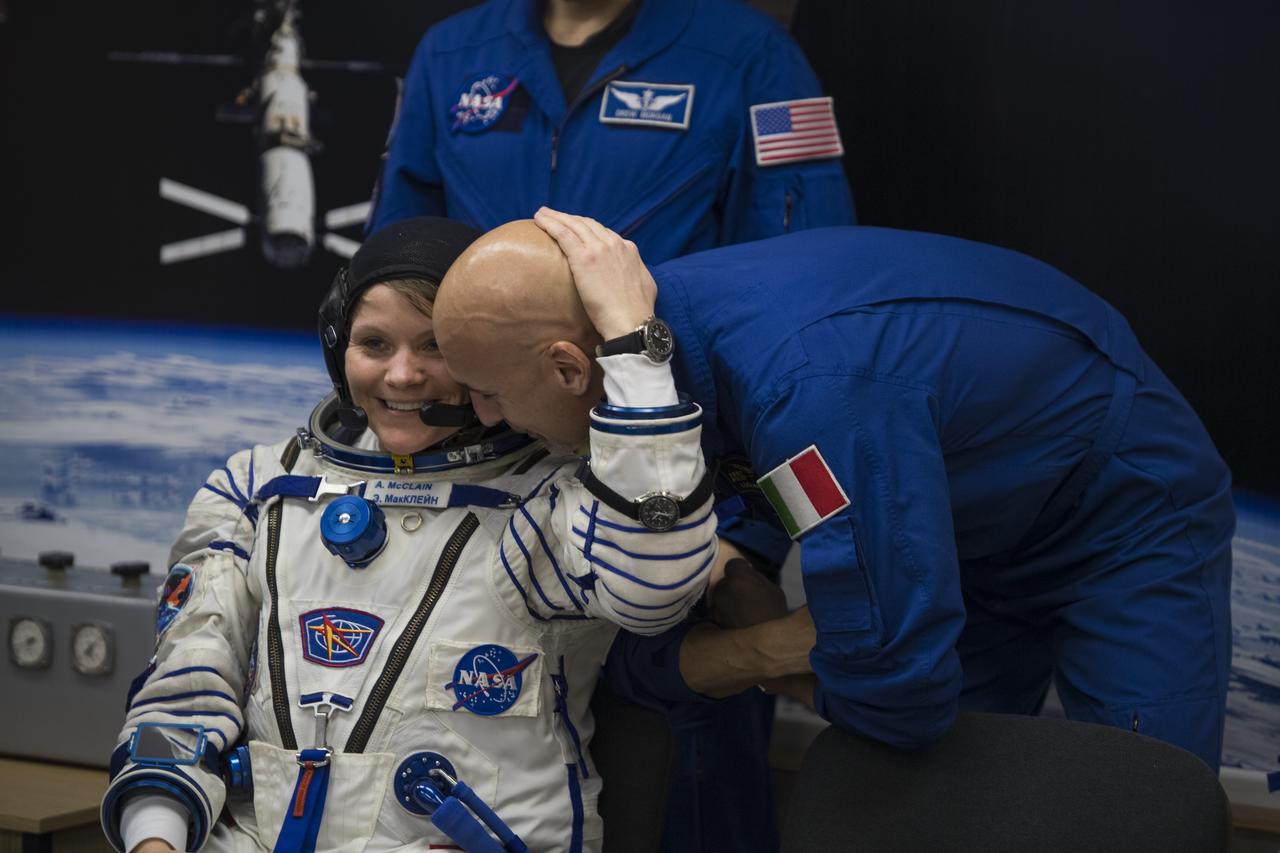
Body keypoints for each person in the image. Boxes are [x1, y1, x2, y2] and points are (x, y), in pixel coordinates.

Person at [432, 209, 1235, 773]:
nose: (484, 418)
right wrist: (774, 623)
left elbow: (899, 684)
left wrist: (789, 655)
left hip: (1120, 517)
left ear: (569, 367)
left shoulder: (804, 389)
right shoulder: (660, 350)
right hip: (962, 525)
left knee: (1139, 793)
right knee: (942, 796)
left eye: (489, 394)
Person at [99, 217, 716, 853]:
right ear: (337, 347)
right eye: (373, 343)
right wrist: (156, 838)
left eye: (434, 348)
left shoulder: (545, 501)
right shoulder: (259, 490)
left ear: (482, 357)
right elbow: (184, 692)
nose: (401, 376)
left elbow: (655, 586)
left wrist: (634, 349)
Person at [367, 0, 855, 266]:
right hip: (481, 393)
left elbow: (808, 256)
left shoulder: (759, 56)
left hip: (665, 391)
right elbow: (398, 248)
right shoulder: (449, 52)